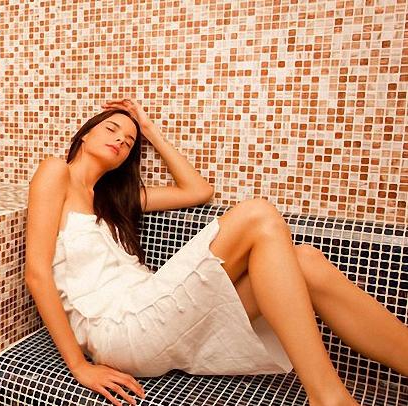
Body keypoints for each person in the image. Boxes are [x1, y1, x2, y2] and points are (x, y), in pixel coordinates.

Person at [24, 99, 408, 406]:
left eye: (129, 141)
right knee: (257, 214)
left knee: (305, 260)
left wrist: (150, 130)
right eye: (111, 129)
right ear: (85, 135)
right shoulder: (55, 172)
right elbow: (37, 273)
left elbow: (197, 191)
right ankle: (328, 398)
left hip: (152, 314)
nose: (121, 141)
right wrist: (79, 366)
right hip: (118, 328)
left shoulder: (117, 200)